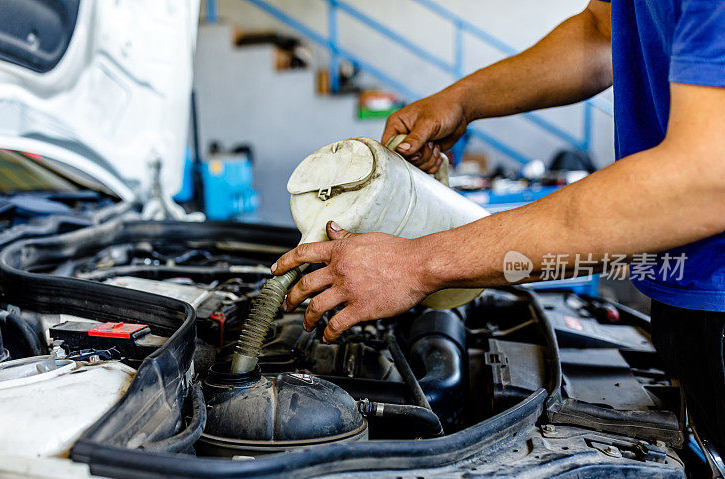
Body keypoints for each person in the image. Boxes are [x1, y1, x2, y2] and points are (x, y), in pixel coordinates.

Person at [271, 0, 725, 452]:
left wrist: (417, 263)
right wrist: (461, 101)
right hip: (682, 292)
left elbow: (703, 181)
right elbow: (600, 31)